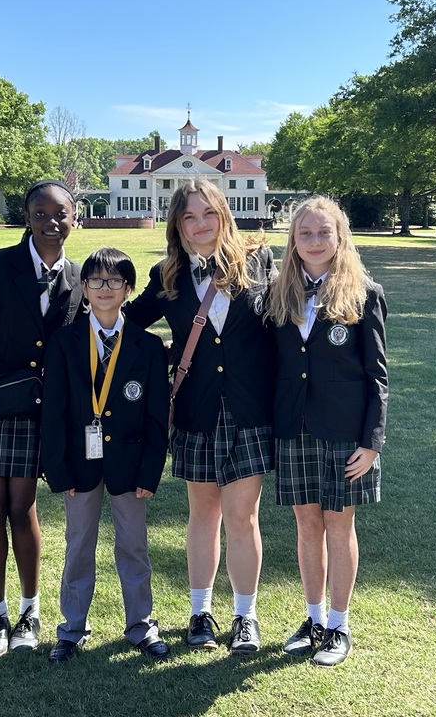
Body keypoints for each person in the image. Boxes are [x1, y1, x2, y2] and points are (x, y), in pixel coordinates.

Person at [125, 178, 275, 655]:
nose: (200, 224)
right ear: (177, 225)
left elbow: (283, 323)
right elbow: (125, 323)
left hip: (250, 410)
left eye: (208, 213)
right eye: (189, 216)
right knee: (203, 515)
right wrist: (162, 353)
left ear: (223, 214)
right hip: (196, 409)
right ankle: (200, 613)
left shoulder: (258, 261)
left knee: (242, 517)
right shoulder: (167, 275)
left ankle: (245, 616)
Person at [0, 179, 85, 656]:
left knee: (23, 511)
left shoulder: (79, 277)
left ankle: (29, 611)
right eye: (40, 214)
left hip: (39, 414)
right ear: (27, 218)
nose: (51, 222)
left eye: (60, 214)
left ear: (74, 218)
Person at [266, 196, 388, 667]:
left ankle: (339, 624)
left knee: (339, 525)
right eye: (305, 234)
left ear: (340, 237)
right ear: (293, 241)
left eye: (324, 232)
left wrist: (371, 443)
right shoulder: (279, 293)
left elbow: (377, 376)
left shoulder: (365, 293)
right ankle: (314, 618)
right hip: (294, 428)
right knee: (306, 525)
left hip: (344, 432)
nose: (314, 241)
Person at [40, 247, 170, 663]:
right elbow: (54, 411)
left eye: (115, 281)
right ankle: (72, 628)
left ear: (128, 289)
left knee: (134, 547)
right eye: (95, 280)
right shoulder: (65, 342)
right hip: (78, 465)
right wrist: (57, 470)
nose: (104, 288)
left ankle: (141, 625)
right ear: (84, 287)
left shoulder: (148, 346)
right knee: (78, 545)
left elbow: (157, 416)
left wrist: (150, 472)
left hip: (130, 465)